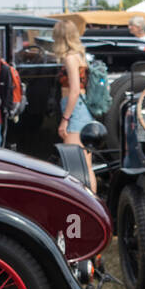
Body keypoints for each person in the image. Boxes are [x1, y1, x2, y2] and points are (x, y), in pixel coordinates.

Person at [52, 19, 95, 190]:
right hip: (80, 109)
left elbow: (75, 90)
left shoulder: (70, 58)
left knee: (77, 165)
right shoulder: (79, 55)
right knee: (85, 163)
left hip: (74, 110)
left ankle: (87, 204)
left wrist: (65, 119)